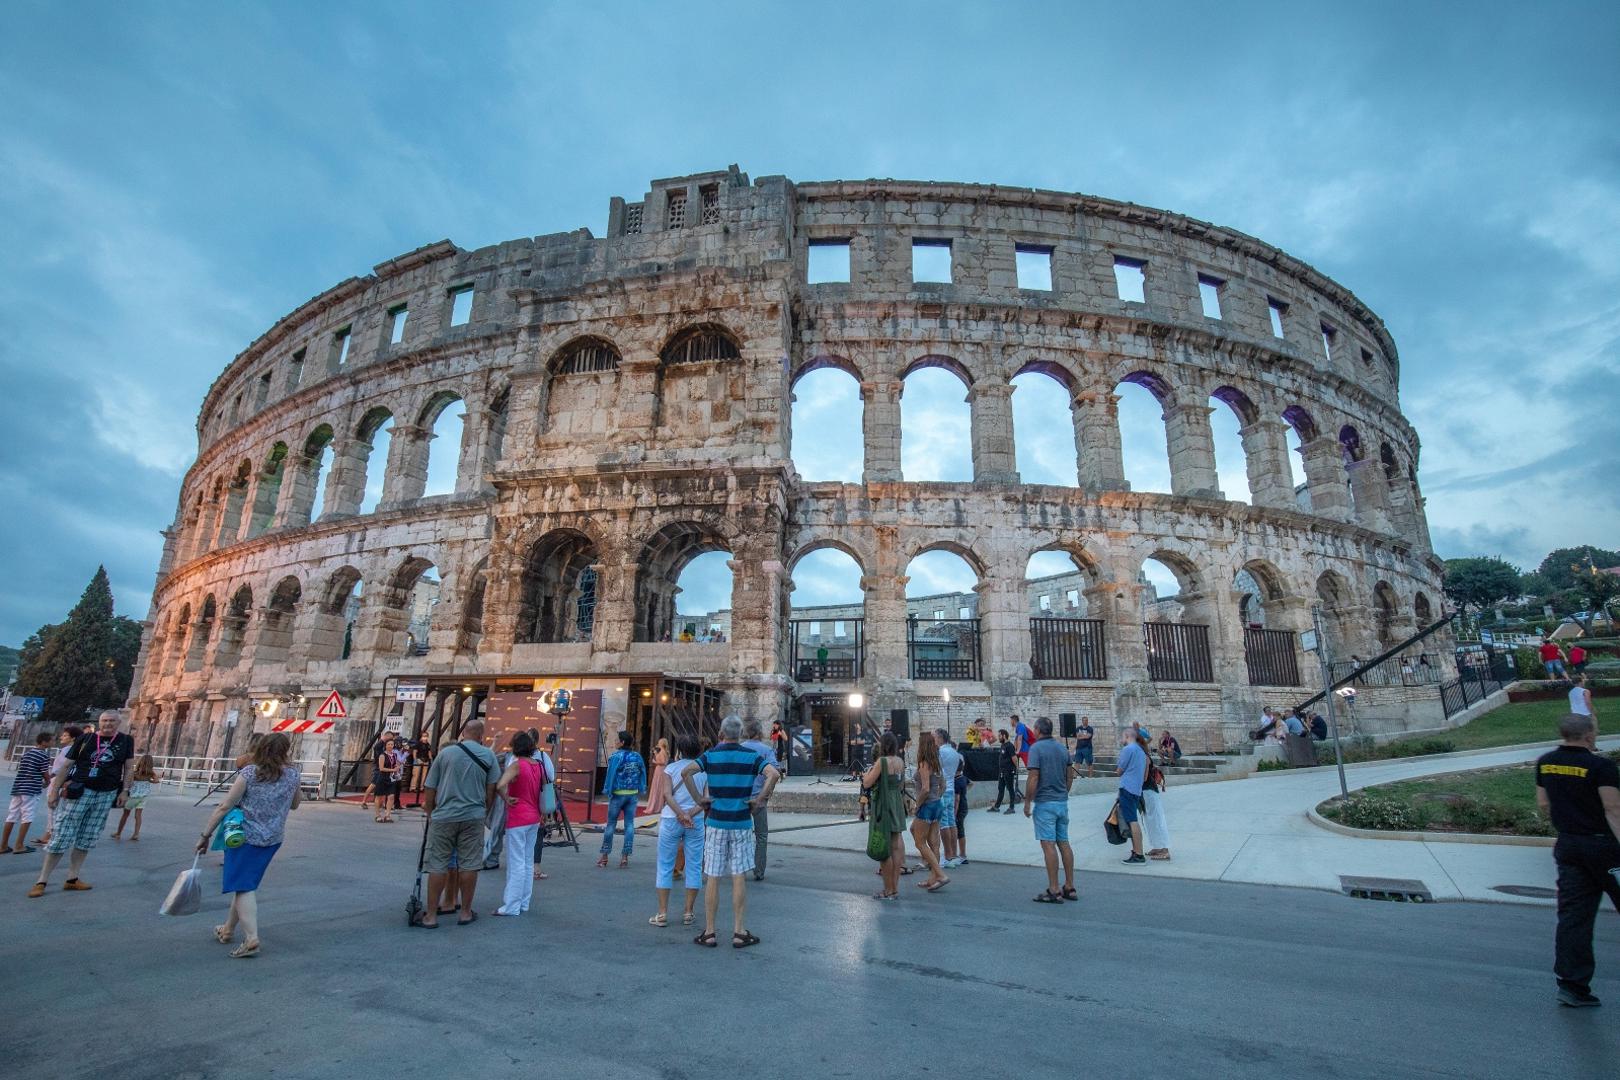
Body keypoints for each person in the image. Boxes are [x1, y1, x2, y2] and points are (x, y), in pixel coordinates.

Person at [1534, 712, 1620, 1007]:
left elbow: (1544, 804)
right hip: (1605, 848)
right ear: (1588, 735)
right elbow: (1613, 809)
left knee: (1574, 917)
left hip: (1569, 846)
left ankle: (1572, 985)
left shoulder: (1546, 761)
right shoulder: (1601, 767)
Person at [195, 732, 301, 958]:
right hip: (272, 838)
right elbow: (295, 805)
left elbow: (225, 806)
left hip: (243, 837)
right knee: (245, 884)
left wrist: (205, 835)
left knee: (243, 886)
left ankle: (251, 938)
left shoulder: (250, 773)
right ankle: (227, 929)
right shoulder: (292, 774)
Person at [685, 716, 779, 948]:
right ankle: (739, 930)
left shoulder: (711, 755)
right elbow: (773, 774)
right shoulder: (751, 757)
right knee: (739, 876)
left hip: (716, 822)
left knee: (713, 876)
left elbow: (686, 772)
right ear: (740, 734)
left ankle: (709, 931)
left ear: (721, 733)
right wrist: (759, 799)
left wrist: (700, 799)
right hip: (741, 823)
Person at [28, 711, 134, 898]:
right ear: (99, 722)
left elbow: (128, 767)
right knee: (62, 834)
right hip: (81, 790)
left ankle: (72, 878)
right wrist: (54, 790)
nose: (108, 724)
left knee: (88, 836)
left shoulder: (125, 741)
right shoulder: (86, 738)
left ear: (119, 723)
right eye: (104, 720)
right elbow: (67, 765)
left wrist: (125, 790)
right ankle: (42, 880)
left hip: (106, 793)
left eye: (111, 721)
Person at [416, 718, 499, 928]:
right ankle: (465, 912)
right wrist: (484, 810)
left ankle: (431, 916)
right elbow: (492, 790)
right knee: (469, 863)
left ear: (463, 733)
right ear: (481, 736)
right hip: (473, 815)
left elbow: (430, 786)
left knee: (438, 863)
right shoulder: (488, 755)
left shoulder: (446, 753)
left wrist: (430, 810)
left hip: (444, 815)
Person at [650, 733, 707, 927]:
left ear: (680, 750)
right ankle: (688, 912)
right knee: (694, 865)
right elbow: (706, 799)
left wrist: (680, 813)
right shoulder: (703, 771)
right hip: (696, 820)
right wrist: (690, 813)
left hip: (671, 818)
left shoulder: (670, 769)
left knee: (665, 864)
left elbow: (666, 794)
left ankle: (662, 912)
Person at [1025, 717, 1078, 903]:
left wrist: (1027, 802)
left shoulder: (1036, 749)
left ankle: (1054, 889)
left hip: (1045, 803)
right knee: (1064, 842)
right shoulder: (1062, 749)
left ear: (1038, 730)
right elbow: (1069, 775)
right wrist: (1064, 792)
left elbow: (1033, 777)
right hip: (1061, 802)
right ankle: (1069, 886)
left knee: (1048, 845)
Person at [493, 731, 544, 916]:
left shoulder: (516, 765)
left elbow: (499, 785)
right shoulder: (538, 765)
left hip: (518, 817)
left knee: (516, 862)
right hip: (534, 816)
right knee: (528, 861)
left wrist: (506, 798)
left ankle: (511, 906)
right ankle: (523, 903)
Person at [862, 732, 908, 901]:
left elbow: (868, 782)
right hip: (896, 801)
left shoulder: (882, 762)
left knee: (884, 850)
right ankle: (895, 888)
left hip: (884, 803)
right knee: (896, 847)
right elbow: (901, 784)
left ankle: (887, 889)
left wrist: (865, 775)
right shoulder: (900, 761)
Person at [597, 730, 647, 868]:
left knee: (611, 824)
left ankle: (605, 856)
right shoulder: (637, 756)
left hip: (618, 794)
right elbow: (643, 772)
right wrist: (642, 788)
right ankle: (625, 857)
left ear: (622, 742)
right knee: (629, 825)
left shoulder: (616, 756)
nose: (615, 742)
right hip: (632, 794)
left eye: (617, 739)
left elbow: (611, 774)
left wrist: (607, 789)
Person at [29, 725, 83, 849]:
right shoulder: (69, 749)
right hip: (57, 781)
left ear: (73, 738)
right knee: (53, 810)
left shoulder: (68, 750)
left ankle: (52, 836)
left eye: (65, 735)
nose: (61, 737)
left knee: (53, 809)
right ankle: (48, 835)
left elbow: (63, 767)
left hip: (57, 782)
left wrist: (50, 777)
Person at [908, 732, 949, 892]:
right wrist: (937, 797)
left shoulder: (925, 763)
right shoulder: (937, 762)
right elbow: (943, 785)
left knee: (920, 842)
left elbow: (924, 788)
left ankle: (940, 875)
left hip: (926, 805)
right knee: (933, 842)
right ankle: (933, 878)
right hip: (937, 804)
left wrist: (917, 805)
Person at [2, 731, 54, 854]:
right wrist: (48, 782)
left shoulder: (27, 753)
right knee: (27, 816)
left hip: (19, 787)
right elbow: (44, 773)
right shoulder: (43, 755)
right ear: (44, 742)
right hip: (31, 788)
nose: (53, 742)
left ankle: (3, 845)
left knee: (12, 816)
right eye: (51, 740)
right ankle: (19, 845)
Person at [739, 719, 778, 881]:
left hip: (740, 798)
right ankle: (759, 871)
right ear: (759, 732)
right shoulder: (766, 750)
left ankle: (740, 868)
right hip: (759, 798)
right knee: (761, 836)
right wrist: (766, 795)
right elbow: (774, 774)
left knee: (741, 835)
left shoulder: (739, 749)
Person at [1115, 727, 1149, 865]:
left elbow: (1119, 770)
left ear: (1128, 736)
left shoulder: (1128, 749)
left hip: (1127, 788)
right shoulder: (1141, 751)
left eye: (1122, 736)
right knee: (1132, 819)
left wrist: (1118, 770)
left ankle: (1139, 854)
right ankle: (1136, 851)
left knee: (1132, 820)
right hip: (1136, 789)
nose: (1121, 739)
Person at [1138, 732, 1172, 861]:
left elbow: (1144, 776)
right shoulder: (1142, 753)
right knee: (1150, 821)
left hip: (1148, 791)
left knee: (1156, 820)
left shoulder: (1142, 755)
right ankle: (1157, 846)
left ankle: (1165, 849)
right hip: (1146, 791)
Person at [935, 729, 964, 868]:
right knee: (952, 822)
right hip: (951, 788)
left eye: (935, 737)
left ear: (940, 738)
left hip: (943, 789)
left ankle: (947, 855)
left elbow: (937, 770)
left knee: (944, 823)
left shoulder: (940, 752)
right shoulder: (955, 752)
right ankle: (953, 854)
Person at [112, 753, 157, 840]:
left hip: (133, 796)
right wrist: (149, 781)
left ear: (140, 762)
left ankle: (118, 833)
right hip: (143, 797)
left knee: (125, 815)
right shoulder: (150, 774)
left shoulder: (135, 773)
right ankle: (136, 834)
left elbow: (130, 782)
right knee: (138, 816)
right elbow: (156, 781)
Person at [373, 734, 403, 823]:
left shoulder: (394, 755)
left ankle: (387, 815)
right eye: (388, 744)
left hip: (391, 778)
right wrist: (392, 769)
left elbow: (396, 764)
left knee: (391, 796)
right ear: (385, 746)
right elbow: (381, 768)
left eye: (392, 744)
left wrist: (397, 767)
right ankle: (378, 815)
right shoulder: (382, 755)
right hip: (382, 777)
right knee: (379, 796)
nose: (390, 746)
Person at [989, 729, 1020, 813]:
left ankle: (1011, 808)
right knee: (1001, 788)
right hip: (1002, 771)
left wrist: (1017, 769)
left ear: (1004, 736)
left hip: (1008, 771)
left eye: (999, 736)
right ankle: (996, 807)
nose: (998, 737)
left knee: (1010, 789)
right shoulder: (1003, 745)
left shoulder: (1009, 746)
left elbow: (1014, 758)